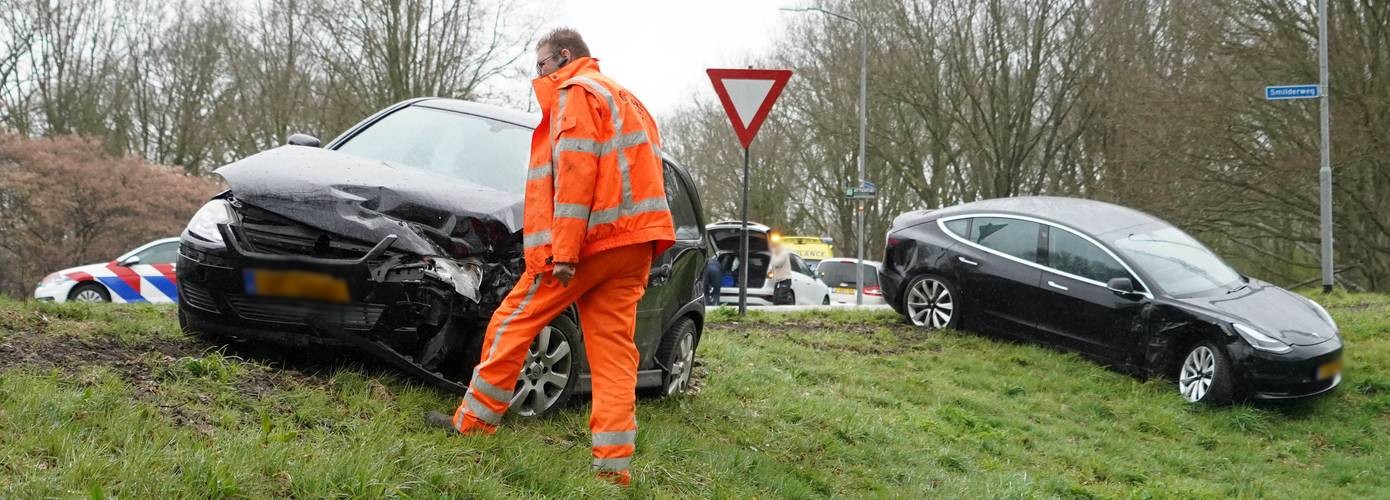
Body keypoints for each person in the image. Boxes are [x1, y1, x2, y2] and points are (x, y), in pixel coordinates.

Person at [425, 27, 674, 487]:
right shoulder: (629, 100)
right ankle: (613, 469)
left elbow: (576, 172)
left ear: (563, 57)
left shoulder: (576, 91)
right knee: (615, 353)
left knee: (512, 320)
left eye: (540, 65)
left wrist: (564, 249)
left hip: (591, 243)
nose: (537, 75)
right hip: (634, 243)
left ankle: (474, 424)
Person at [769, 240, 793, 305]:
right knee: (775, 300)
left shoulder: (783, 253)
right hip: (778, 281)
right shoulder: (775, 254)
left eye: (774, 246)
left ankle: (789, 307)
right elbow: (771, 265)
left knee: (781, 299)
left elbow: (778, 263)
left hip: (785, 280)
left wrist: (773, 254)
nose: (773, 247)